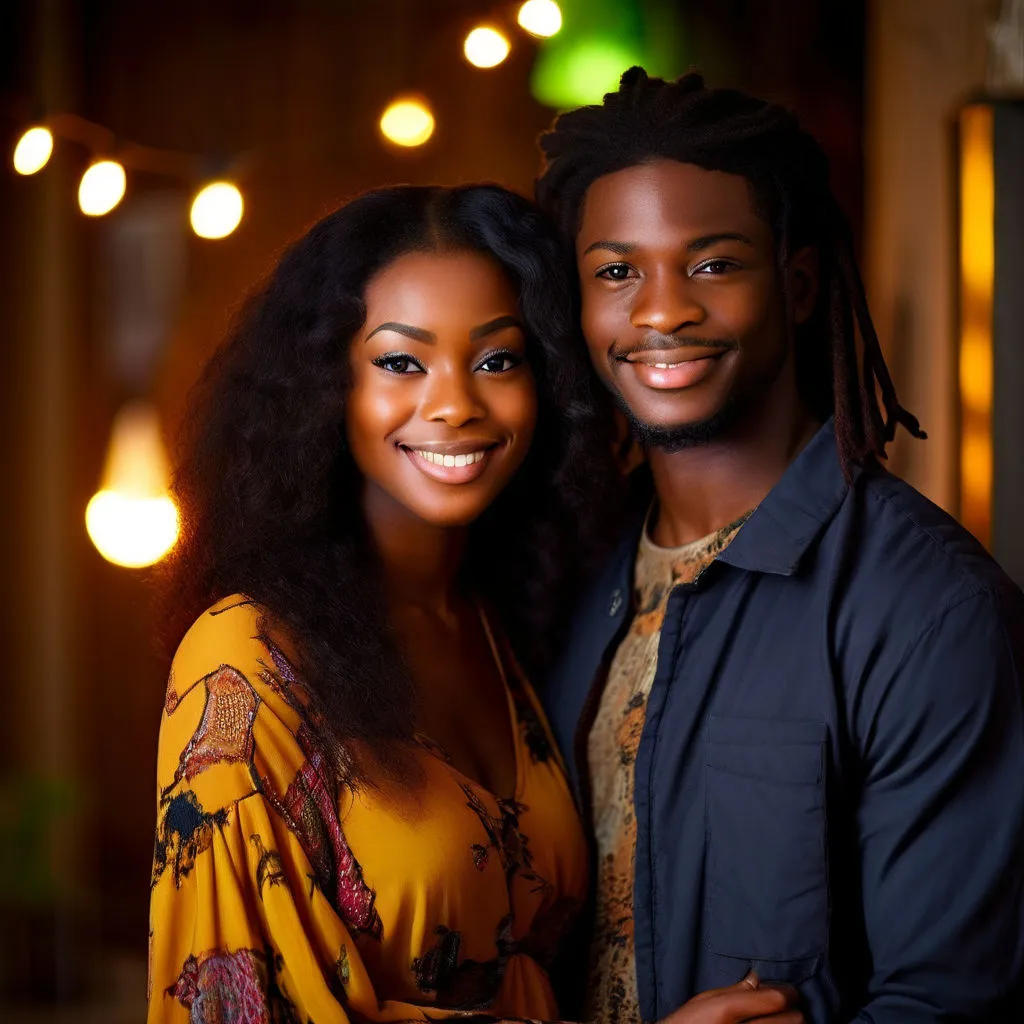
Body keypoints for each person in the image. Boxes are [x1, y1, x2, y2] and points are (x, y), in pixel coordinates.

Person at [535, 68, 1024, 1024]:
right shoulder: (558, 573)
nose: (662, 309)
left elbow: (958, 1003)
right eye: (617, 271)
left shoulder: (930, 612)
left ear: (797, 286)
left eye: (713, 263)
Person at [148, 184, 618, 1022]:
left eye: (497, 359)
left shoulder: (497, 620)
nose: (454, 404)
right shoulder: (247, 661)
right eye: (402, 362)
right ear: (327, 387)